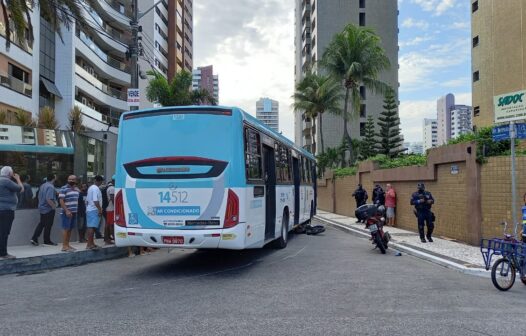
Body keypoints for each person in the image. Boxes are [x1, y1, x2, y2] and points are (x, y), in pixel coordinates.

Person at [0, 166, 24, 259]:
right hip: (6, 210)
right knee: (4, 232)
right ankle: (3, 253)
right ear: (10, 174)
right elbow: (21, 189)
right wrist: (18, 179)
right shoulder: (6, 181)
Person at [31, 173, 57, 246]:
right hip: (48, 208)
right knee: (48, 225)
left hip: (42, 207)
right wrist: (53, 206)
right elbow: (48, 199)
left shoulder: (43, 185)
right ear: (53, 178)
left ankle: (34, 238)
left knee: (42, 223)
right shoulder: (50, 187)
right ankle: (47, 241)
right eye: (55, 177)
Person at [58, 175, 80, 252]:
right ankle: (64, 246)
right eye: (69, 179)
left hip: (74, 212)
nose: (71, 180)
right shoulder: (64, 188)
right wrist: (66, 210)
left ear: (76, 180)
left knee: (70, 229)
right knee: (66, 228)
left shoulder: (76, 189)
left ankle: (67, 244)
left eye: (73, 179)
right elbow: (61, 201)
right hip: (66, 212)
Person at [85, 175, 103, 250]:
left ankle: (91, 243)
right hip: (94, 209)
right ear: (99, 181)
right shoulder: (95, 188)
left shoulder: (91, 188)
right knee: (91, 227)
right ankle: (89, 244)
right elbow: (95, 200)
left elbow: (87, 200)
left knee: (91, 227)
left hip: (90, 209)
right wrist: (99, 209)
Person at [104, 178, 115, 245]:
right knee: (111, 224)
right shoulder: (112, 188)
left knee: (108, 224)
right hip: (111, 209)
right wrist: (116, 208)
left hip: (108, 208)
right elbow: (112, 198)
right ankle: (113, 237)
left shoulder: (109, 188)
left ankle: (107, 238)